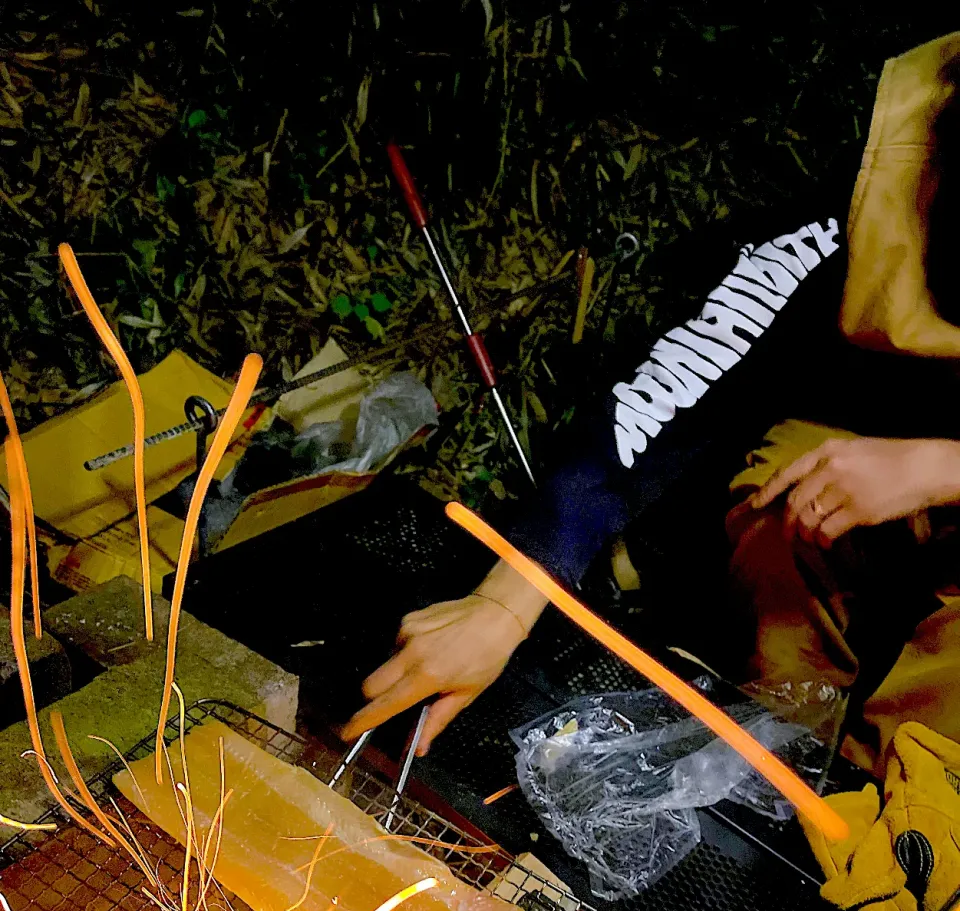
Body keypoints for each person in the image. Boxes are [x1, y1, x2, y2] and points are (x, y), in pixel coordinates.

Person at [344, 31, 960, 775]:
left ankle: (915, 819)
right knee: (795, 491)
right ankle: (782, 767)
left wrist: (942, 467)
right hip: (904, 434)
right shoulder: (905, 176)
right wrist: (508, 599)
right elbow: (691, 371)